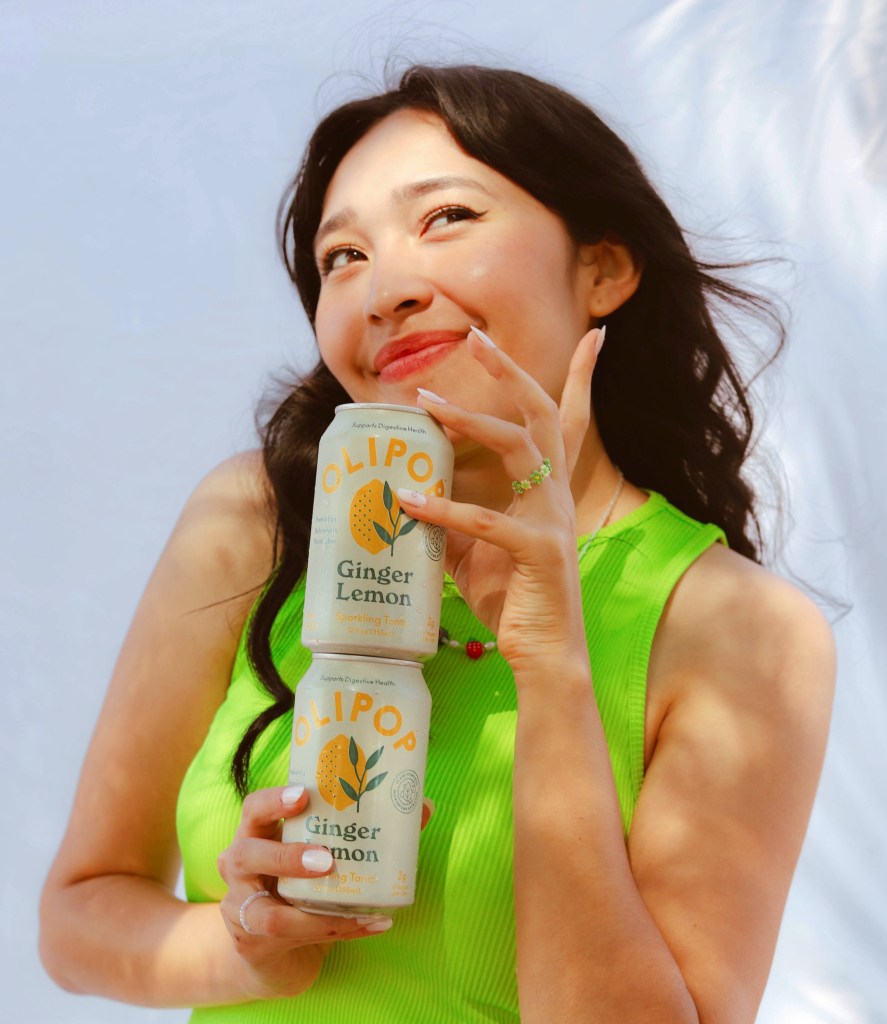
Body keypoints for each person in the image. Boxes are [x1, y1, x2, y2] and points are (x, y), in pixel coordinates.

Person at [40, 64, 834, 1023]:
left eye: (447, 217)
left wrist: (552, 667)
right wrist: (248, 949)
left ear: (603, 269)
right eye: (342, 257)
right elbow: (78, 916)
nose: (384, 291)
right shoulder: (255, 521)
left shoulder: (735, 627)